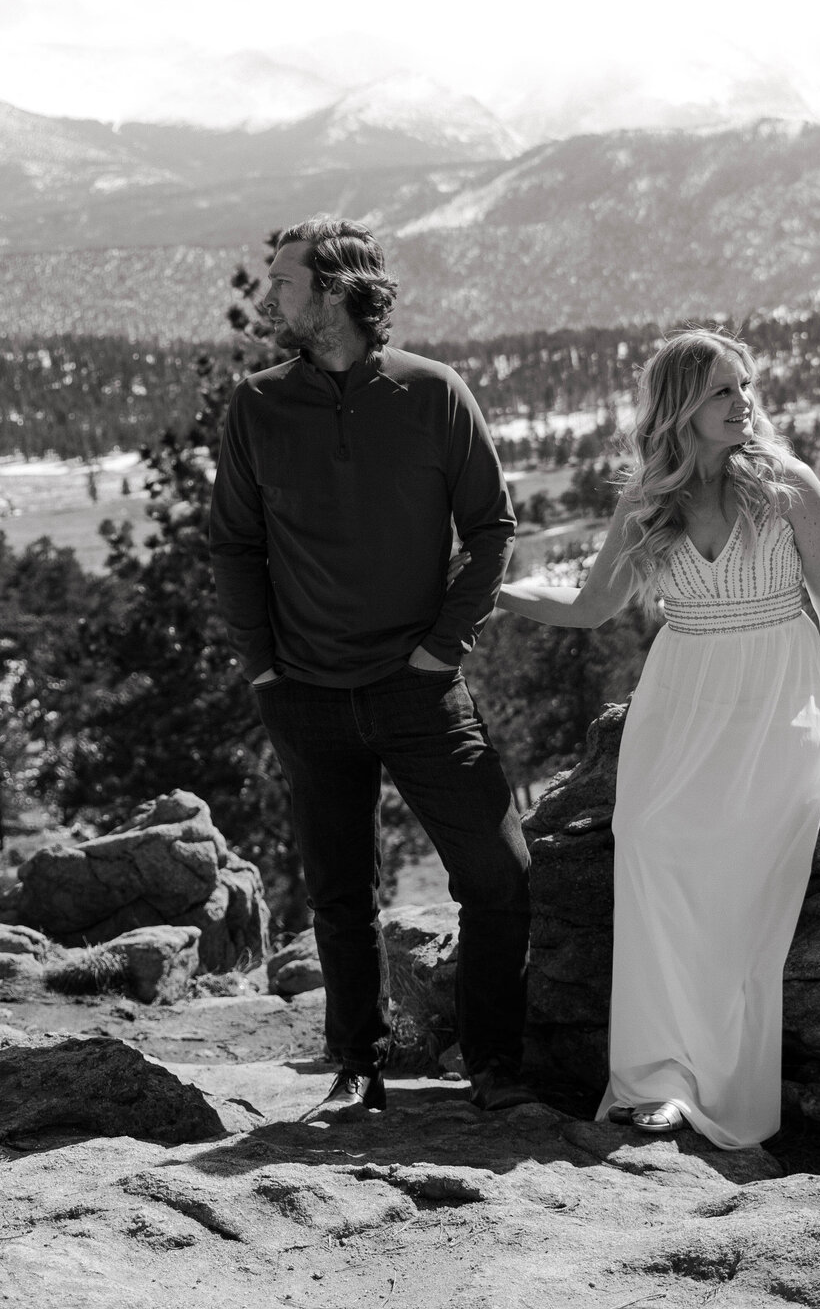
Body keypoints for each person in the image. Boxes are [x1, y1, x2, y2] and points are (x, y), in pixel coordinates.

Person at [495, 329, 820, 1147]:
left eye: (745, 387)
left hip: (781, 689)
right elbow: (589, 607)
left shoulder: (791, 488)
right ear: (680, 406)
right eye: (721, 391)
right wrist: (492, 593)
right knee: (650, 842)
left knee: (739, 870)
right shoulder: (648, 502)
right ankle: (656, 1081)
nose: (743, 403)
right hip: (680, 696)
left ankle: (723, 1086)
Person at [209, 216, 533, 1114]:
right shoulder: (259, 404)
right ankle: (357, 1068)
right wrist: (264, 673)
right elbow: (233, 545)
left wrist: (441, 650)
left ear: (337, 290)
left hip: (419, 689)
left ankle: (496, 1067)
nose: (271, 293)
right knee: (339, 894)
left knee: (499, 874)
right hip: (305, 695)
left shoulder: (434, 394)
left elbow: (494, 528)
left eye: (286, 280)